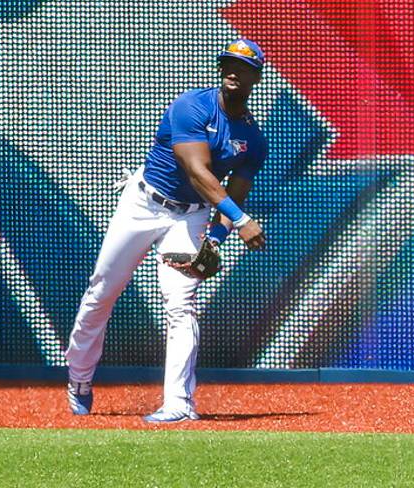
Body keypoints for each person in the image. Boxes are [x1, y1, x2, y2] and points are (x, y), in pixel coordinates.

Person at [64, 38, 270, 422]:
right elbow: (198, 171)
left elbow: (235, 195)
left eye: (242, 67)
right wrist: (241, 223)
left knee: (181, 304)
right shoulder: (192, 106)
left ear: (256, 77)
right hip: (143, 203)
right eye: (227, 62)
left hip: (189, 217)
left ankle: (178, 402)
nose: (231, 71)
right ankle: (79, 377)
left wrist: (216, 239)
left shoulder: (253, 140)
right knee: (102, 291)